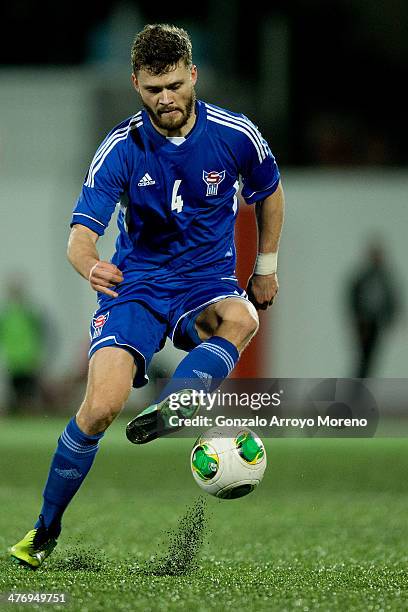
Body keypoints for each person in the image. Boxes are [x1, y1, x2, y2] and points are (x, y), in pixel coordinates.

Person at [9, 23, 284, 568]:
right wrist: (91, 266)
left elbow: (270, 193)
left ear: (193, 76)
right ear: (136, 83)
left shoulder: (235, 134)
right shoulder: (121, 148)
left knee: (242, 315)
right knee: (100, 409)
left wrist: (266, 266)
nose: (167, 99)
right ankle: (43, 531)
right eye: (155, 89)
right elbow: (79, 240)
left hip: (205, 280)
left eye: (176, 85)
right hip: (136, 287)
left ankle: (179, 403)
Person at [348, 240, 399, 378]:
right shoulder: (363, 279)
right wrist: (358, 318)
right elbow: (353, 298)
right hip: (364, 323)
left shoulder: (384, 279)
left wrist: (390, 318)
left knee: (371, 357)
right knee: (364, 356)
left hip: (376, 322)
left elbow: (392, 301)